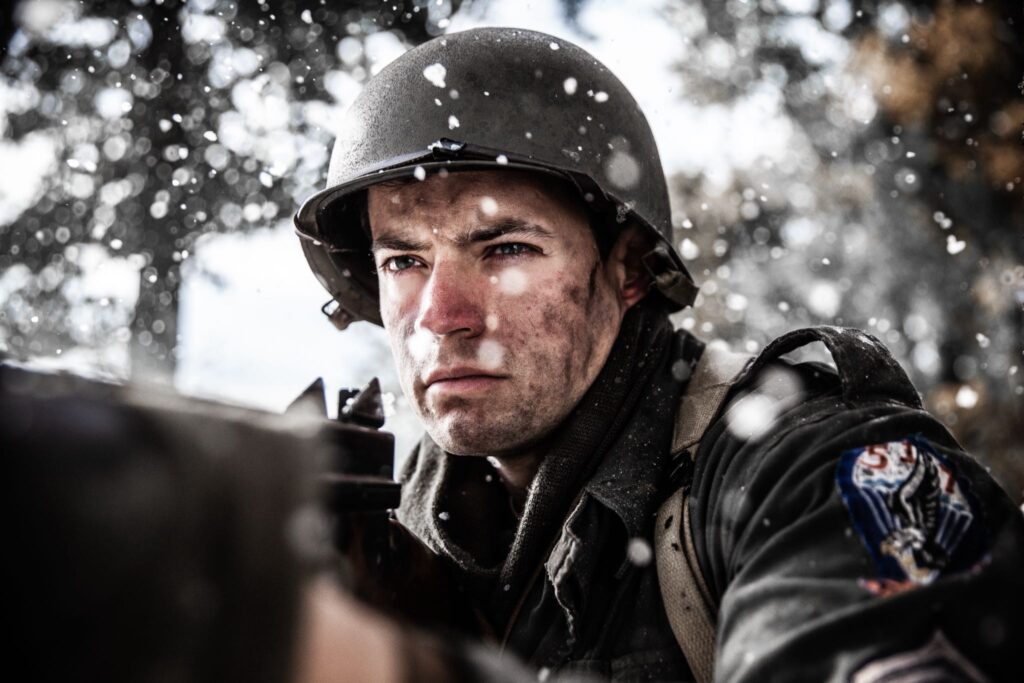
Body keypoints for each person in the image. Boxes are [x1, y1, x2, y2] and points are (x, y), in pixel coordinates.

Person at [294, 27, 1024, 682]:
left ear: (630, 269)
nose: (440, 316)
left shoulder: (799, 470)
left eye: (506, 249)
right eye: (403, 261)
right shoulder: (371, 528)